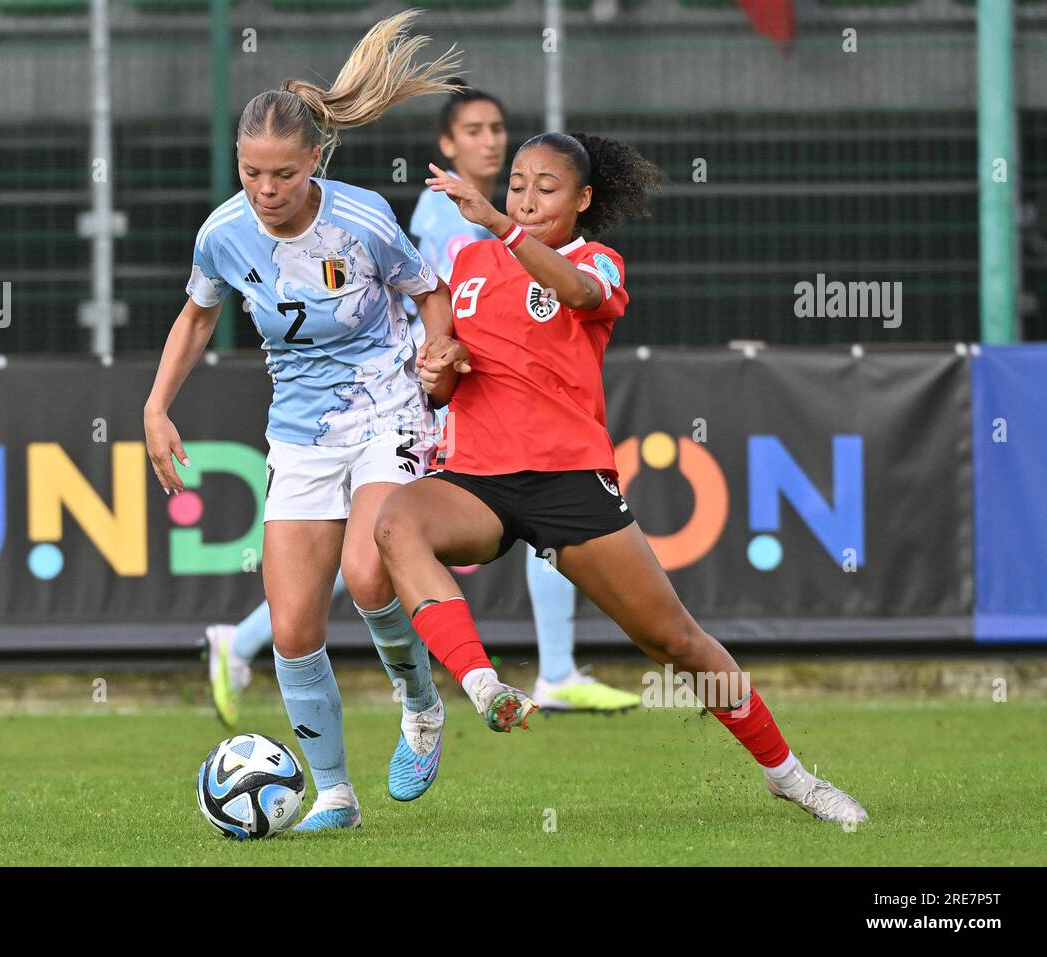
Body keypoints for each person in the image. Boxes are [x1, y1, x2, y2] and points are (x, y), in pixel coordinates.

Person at [372, 132, 869, 825]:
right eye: (517, 183)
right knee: (396, 522)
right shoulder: (467, 262)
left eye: (547, 188)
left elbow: (574, 291)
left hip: (570, 482)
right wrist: (441, 365)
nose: (526, 197)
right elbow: (451, 380)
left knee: (676, 641)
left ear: (582, 200)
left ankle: (788, 774)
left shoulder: (595, 260)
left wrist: (500, 222)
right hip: (477, 478)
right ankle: (480, 686)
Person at [205, 86, 641, 727]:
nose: (488, 140)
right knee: (373, 548)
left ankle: (552, 669)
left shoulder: (503, 214)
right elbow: (446, 301)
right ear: (447, 146)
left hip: (458, 379)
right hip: (429, 384)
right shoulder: (448, 218)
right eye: (472, 130)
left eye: (496, 127)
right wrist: (442, 364)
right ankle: (256, 643)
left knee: (386, 544)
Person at [146, 11, 462, 831]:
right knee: (291, 629)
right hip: (299, 432)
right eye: (251, 172)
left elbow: (427, 288)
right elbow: (196, 319)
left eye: (282, 173)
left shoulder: (359, 221)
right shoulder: (222, 233)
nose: (265, 189)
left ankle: (421, 706)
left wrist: (438, 352)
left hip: (387, 406)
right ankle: (336, 796)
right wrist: (154, 407)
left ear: (315, 160)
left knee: (368, 572)